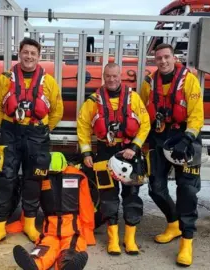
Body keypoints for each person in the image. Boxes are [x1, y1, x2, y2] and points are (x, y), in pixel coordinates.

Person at [0, 37, 64, 248]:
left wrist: (44, 128)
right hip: (10, 132)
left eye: (33, 53)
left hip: (37, 134)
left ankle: (29, 223)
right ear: (19, 53)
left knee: (33, 180)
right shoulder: (5, 79)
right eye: (25, 52)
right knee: (4, 179)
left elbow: (57, 110)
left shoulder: (49, 82)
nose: (29, 56)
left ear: (39, 57)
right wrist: (7, 125)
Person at [140, 43, 204, 267]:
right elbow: (143, 110)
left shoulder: (189, 80)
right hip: (159, 137)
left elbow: (197, 114)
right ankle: (173, 223)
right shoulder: (149, 82)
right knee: (155, 188)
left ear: (174, 58)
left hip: (185, 138)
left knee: (187, 190)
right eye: (159, 58)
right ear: (155, 60)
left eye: (167, 57)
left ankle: (186, 240)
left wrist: (187, 138)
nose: (163, 61)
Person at [77, 62, 150, 256]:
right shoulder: (93, 101)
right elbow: (83, 126)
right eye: (108, 76)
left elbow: (145, 125)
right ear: (103, 76)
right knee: (108, 198)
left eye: (115, 76)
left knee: (132, 196)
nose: (111, 79)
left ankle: (130, 239)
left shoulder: (133, 98)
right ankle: (113, 240)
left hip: (129, 153)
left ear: (120, 76)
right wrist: (86, 152)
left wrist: (134, 147)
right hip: (104, 152)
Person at [13, 152, 95, 270]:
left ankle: (66, 264)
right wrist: (24, 222)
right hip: (50, 228)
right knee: (46, 245)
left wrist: (87, 231)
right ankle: (34, 263)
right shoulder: (42, 176)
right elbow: (31, 203)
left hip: (71, 228)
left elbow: (86, 205)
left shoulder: (78, 176)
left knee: (71, 246)